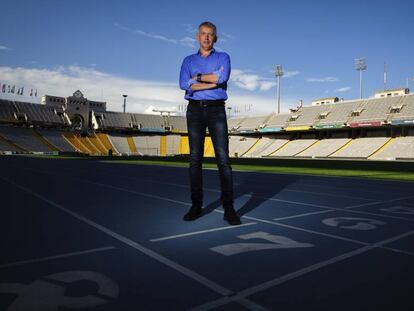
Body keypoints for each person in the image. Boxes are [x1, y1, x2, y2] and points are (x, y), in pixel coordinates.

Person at [179, 21, 241, 225]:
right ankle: (196, 206)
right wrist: (213, 80)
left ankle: (229, 208)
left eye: (210, 34)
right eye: (203, 34)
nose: (206, 37)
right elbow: (182, 83)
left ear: (215, 37)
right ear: (198, 36)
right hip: (194, 111)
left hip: (216, 109)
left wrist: (195, 80)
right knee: (195, 159)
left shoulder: (224, 57)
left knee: (223, 160)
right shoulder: (188, 60)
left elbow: (223, 77)